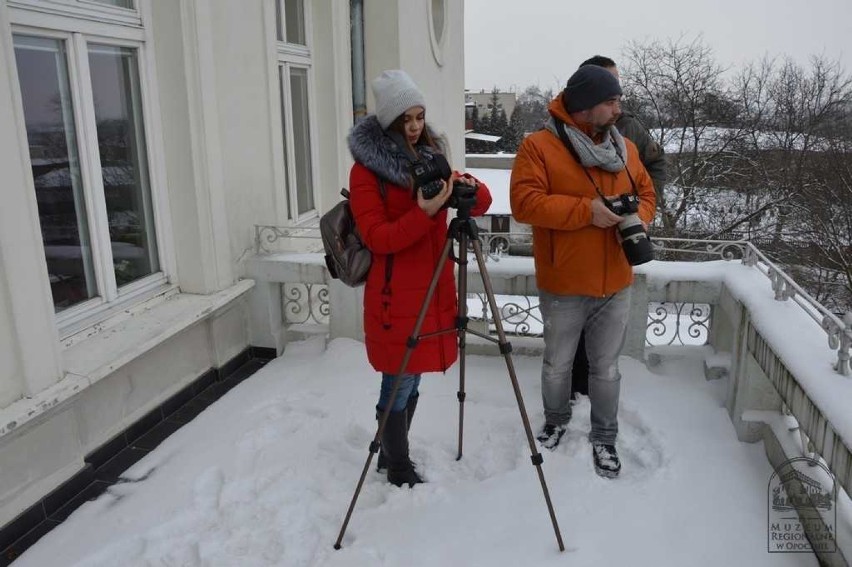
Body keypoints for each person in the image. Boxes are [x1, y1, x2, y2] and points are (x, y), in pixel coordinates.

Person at [510, 65, 656, 478]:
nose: (618, 108)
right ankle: (555, 421)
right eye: (611, 101)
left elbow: (646, 192)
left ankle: (605, 438)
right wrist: (587, 212)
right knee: (557, 364)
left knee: (606, 368)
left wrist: (639, 217)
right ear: (587, 105)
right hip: (565, 281)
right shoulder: (538, 147)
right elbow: (525, 204)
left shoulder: (624, 147)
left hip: (616, 279)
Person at [347, 70, 492, 487]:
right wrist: (424, 211)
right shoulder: (366, 173)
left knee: (412, 378)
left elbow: (482, 202)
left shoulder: (429, 156)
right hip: (395, 292)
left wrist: (463, 185)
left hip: (432, 289)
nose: (414, 127)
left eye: (419, 116)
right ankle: (397, 465)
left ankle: (391, 451)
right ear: (389, 121)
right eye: (405, 119)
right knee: (399, 376)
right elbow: (378, 238)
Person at [569, 56, 667, 401]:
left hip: (618, 243)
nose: (615, 99)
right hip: (578, 243)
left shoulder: (631, 128)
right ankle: (573, 391)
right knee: (574, 325)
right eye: (607, 91)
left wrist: (640, 212)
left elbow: (655, 166)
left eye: (616, 90)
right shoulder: (564, 129)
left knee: (605, 329)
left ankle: (596, 393)